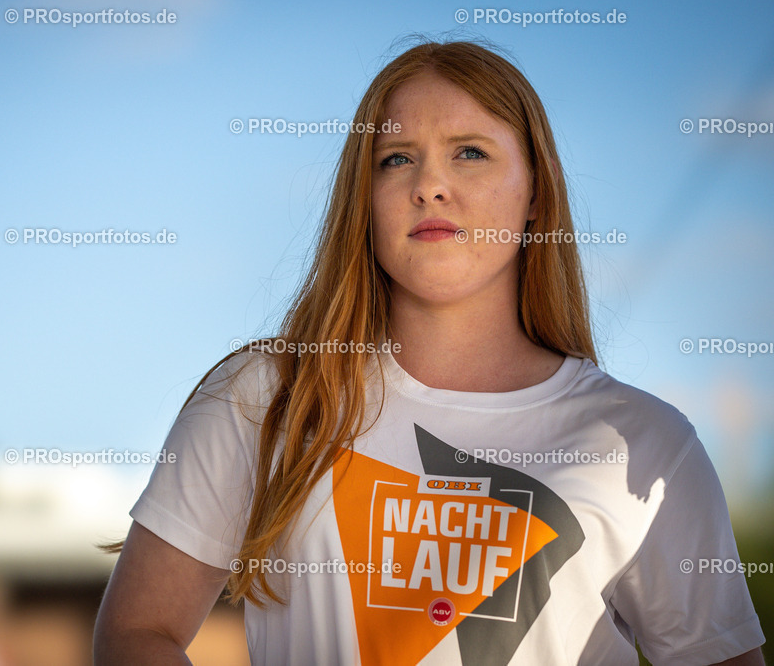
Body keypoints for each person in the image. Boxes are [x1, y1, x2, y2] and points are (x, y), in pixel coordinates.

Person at [92, 40, 767, 665]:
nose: (429, 184)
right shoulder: (268, 395)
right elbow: (135, 632)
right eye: (396, 157)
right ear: (365, 200)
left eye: (470, 151)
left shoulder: (646, 442)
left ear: (537, 190)